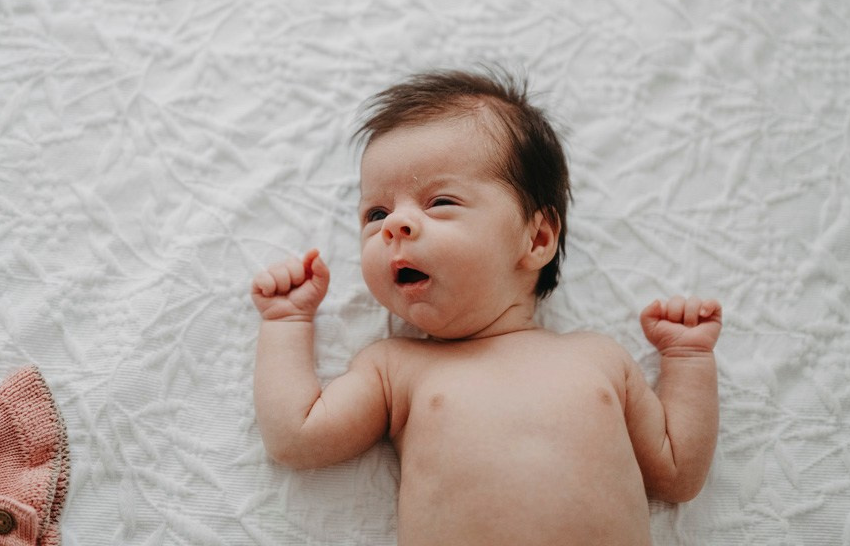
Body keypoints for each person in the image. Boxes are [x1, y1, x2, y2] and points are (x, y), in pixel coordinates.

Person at [250, 68, 722, 546]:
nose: (395, 225)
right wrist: (286, 321)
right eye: (377, 213)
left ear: (536, 239)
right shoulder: (395, 369)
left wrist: (688, 358)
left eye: (440, 202)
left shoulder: (600, 358)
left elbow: (677, 474)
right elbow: (297, 437)